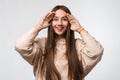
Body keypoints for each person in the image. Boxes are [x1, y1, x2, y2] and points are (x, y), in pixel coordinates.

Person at [15, 5, 104, 80]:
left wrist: (80, 29)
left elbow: (97, 51)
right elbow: (20, 46)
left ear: (69, 22)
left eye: (64, 19)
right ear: (50, 22)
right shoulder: (42, 45)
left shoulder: (78, 46)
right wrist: (38, 27)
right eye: (55, 19)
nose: (59, 23)